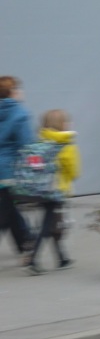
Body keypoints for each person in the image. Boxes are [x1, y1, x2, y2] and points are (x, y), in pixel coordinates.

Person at [24, 109, 78, 275]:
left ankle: (62, 258)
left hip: (40, 189)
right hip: (57, 190)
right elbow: (74, 171)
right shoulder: (66, 144)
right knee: (48, 225)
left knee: (53, 221)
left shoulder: (39, 141)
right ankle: (33, 259)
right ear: (63, 125)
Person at [0, 75, 35, 259]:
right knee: (4, 212)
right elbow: (26, 144)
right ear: (13, 92)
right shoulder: (20, 114)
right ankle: (27, 242)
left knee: (8, 207)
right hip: (10, 170)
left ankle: (26, 242)